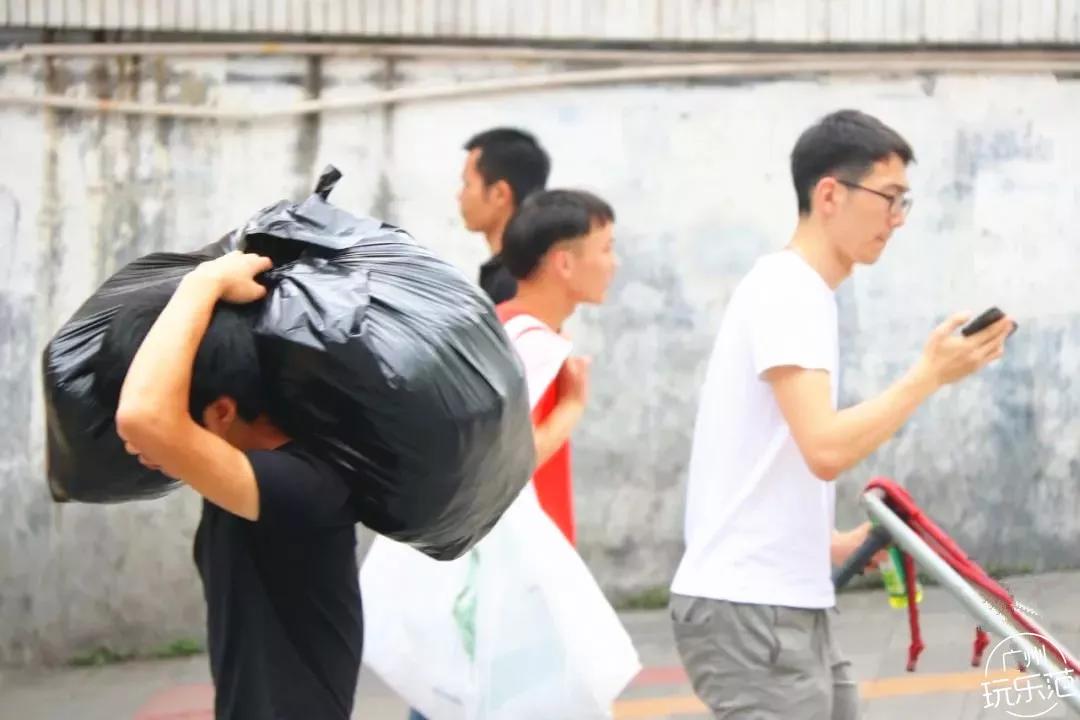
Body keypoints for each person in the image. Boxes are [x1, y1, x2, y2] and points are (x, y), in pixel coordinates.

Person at [668, 109, 1015, 720]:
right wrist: (928, 375)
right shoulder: (789, 290)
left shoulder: (801, 292)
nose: (898, 219)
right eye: (889, 198)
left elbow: (767, 450)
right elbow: (824, 449)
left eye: (904, 201)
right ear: (829, 193)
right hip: (752, 609)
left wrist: (827, 543)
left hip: (778, 601)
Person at [370, 189, 636, 719]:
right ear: (564, 261)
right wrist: (572, 410)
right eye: (605, 248)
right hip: (506, 587)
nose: (615, 261)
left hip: (490, 580)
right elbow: (499, 464)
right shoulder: (527, 344)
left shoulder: (498, 327)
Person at [95, 253, 364, 720]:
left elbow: (142, 416)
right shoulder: (250, 473)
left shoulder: (300, 487)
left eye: (173, 414)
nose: (134, 446)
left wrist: (206, 282)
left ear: (220, 413)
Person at [458, 127, 551, 304]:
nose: (459, 195)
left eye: (467, 184)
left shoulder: (512, 282)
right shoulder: (541, 269)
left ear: (500, 193)